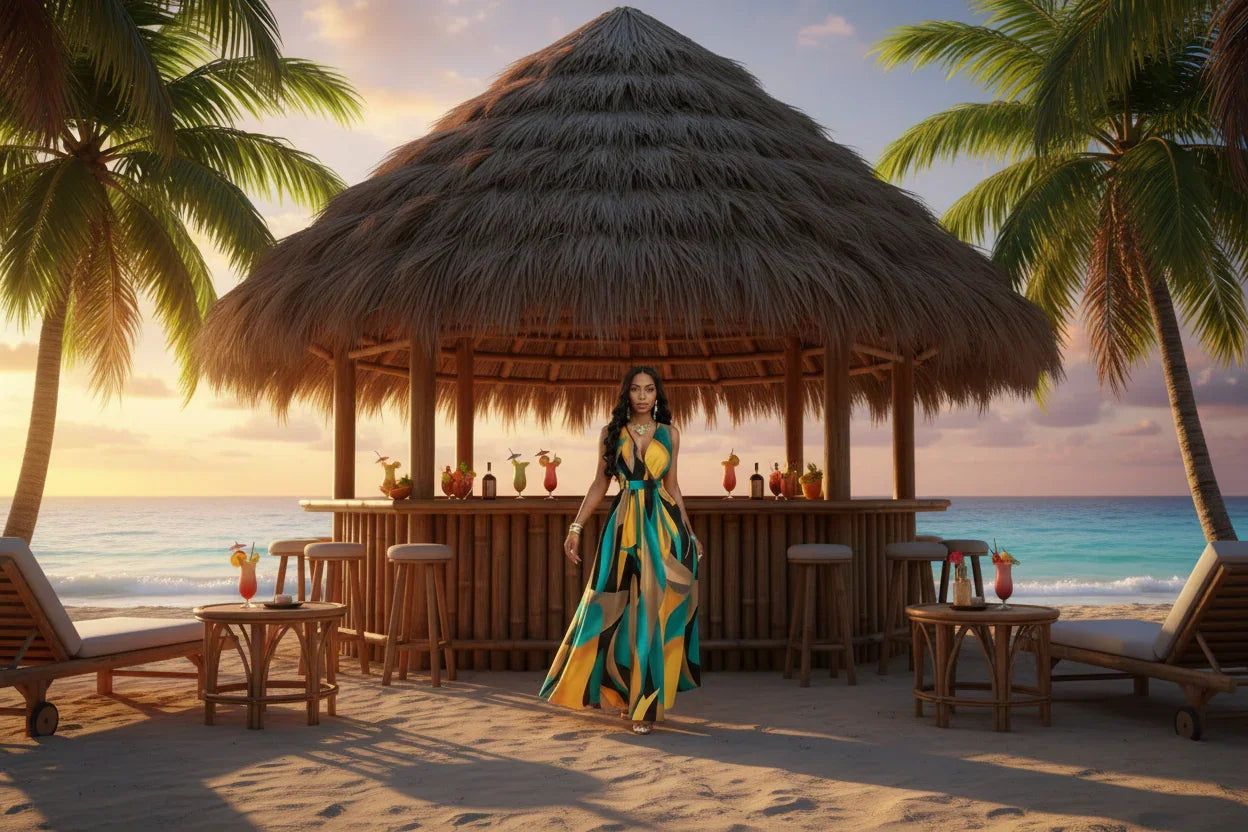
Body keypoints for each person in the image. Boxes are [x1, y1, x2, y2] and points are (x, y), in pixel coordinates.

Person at [538, 366, 704, 734]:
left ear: (657, 394)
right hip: (623, 525)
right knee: (609, 607)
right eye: (636, 389)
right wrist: (576, 527)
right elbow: (599, 484)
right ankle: (617, 693)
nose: (643, 396)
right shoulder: (611, 433)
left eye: (649, 389)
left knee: (651, 613)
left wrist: (690, 534)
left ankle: (643, 708)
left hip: (663, 528)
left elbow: (673, 487)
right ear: (626, 394)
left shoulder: (671, 434)